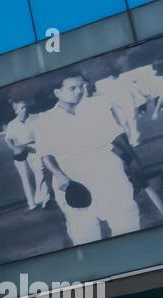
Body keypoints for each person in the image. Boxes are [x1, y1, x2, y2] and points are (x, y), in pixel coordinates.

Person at [35, 73, 140, 246]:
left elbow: (118, 137)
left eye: (82, 86)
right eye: (72, 88)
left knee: (127, 223)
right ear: (57, 93)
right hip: (73, 179)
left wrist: (134, 162)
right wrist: (59, 175)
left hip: (109, 171)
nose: (79, 91)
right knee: (85, 235)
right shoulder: (45, 121)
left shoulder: (97, 106)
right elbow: (46, 155)